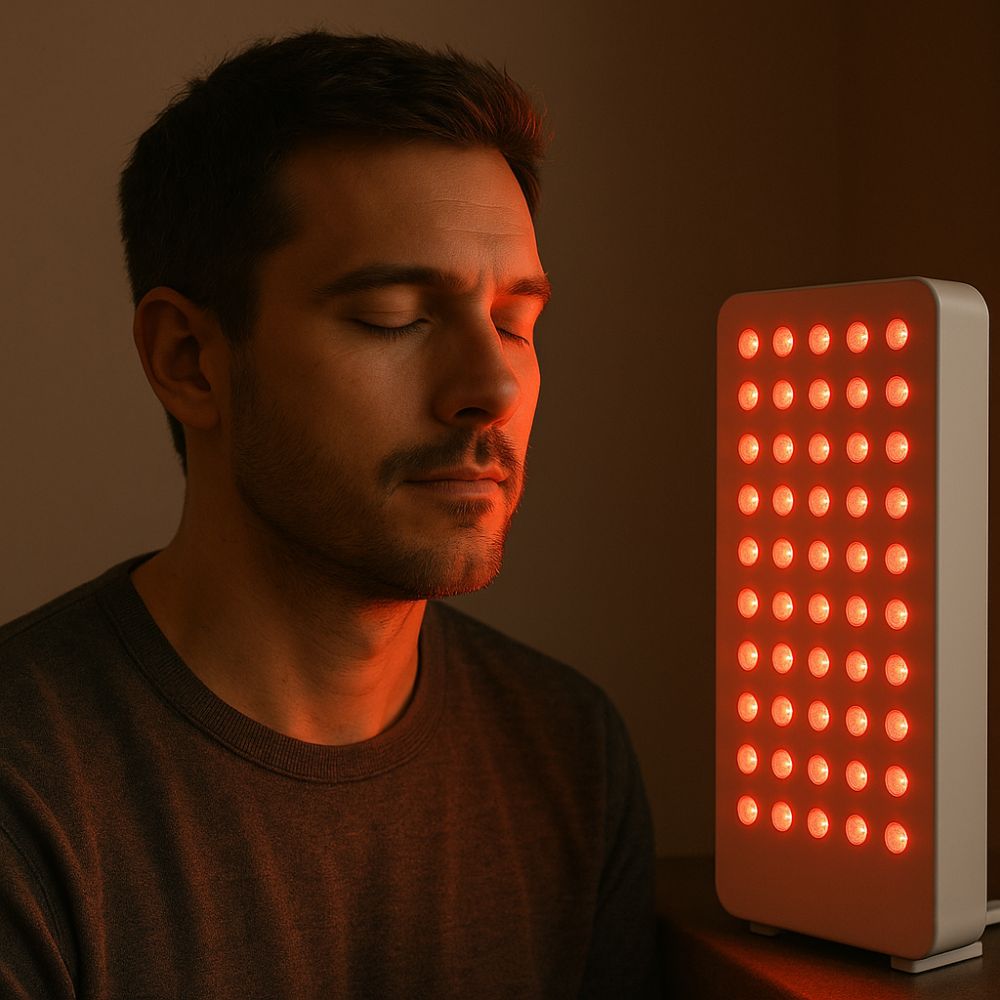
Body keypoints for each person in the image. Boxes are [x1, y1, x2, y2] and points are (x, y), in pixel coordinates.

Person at [0, 31, 657, 998]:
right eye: (395, 316)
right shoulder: (29, 791)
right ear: (189, 360)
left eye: (517, 322)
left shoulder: (567, 752)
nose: (492, 385)